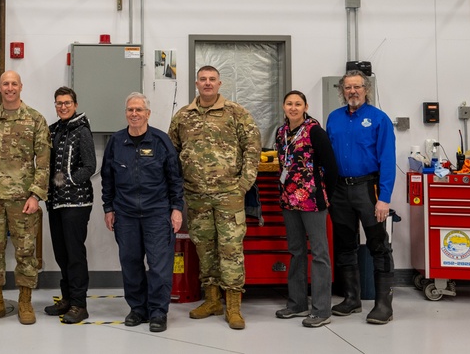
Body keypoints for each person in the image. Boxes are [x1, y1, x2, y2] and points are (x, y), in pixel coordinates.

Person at [167, 66, 260, 330]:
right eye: (203, 80)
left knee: (231, 251)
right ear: (196, 83)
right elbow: (172, 154)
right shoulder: (183, 116)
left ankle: (233, 306)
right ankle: (211, 301)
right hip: (196, 195)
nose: (207, 84)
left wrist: (243, 185)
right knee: (204, 249)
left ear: (220, 83)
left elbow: (252, 149)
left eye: (212, 80)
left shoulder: (236, 112)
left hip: (229, 194)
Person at [0, 70, 51, 325]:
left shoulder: (35, 119)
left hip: (22, 198)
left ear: (21, 86)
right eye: (5, 83)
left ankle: (25, 302)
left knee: (26, 251)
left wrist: (36, 195)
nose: (9, 88)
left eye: (13, 83)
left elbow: (43, 162)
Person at [102, 93, 184, 333]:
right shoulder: (116, 142)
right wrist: (108, 208)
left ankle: (158, 311)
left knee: (159, 265)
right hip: (125, 214)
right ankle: (137, 308)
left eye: (139, 109)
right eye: (130, 110)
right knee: (130, 263)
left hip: (157, 213)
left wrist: (176, 209)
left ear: (148, 113)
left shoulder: (161, 141)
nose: (134, 114)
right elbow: (108, 178)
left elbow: (175, 178)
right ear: (125, 113)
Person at [325, 70, 397, 325]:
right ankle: (352, 299)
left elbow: (388, 160)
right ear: (342, 91)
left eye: (357, 87)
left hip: (369, 189)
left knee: (378, 244)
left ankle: (383, 305)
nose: (352, 91)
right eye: (347, 88)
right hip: (340, 191)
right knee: (345, 245)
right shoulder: (333, 119)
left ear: (366, 89)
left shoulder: (379, 119)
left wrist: (384, 198)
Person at [274, 90, 338, 328]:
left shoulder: (314, 131)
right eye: (289, 103)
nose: (293, 108)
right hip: (289, 200)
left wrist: (325, 196)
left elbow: (331, 167)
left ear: (305, 106)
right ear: (283, 107)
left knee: (320, 254)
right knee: (296, 251)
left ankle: (321, 310)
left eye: (298, 104)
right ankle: (297, 303)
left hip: (312, 201)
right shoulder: (281, 133)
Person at [43, 87, 96, 324]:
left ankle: (79, 304)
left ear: (75, 104)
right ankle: (66, 298)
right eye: (58, 103)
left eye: (66, 103)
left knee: (75, 254)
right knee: (61, 253)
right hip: (55, 203)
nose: (62, 106)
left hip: (77, 203)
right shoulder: (54, 130)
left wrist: (67, 181)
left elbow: (89, 166)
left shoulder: (82, 130)